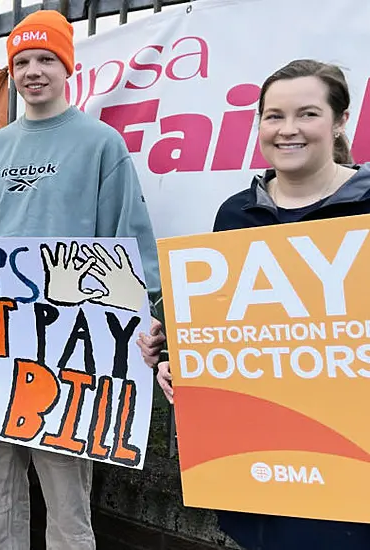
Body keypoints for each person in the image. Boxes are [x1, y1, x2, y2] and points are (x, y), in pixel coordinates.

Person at [0, 10, 161, 550]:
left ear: (67, 66)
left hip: (69, 354)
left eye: (46, 59)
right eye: (22, 61)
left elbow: (129, 244)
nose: (33, 71)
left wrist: (144, 316)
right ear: (11, 72)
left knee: (67, 502)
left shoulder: (101, 144)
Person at [140, 59, 370, 550]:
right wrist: (176, 359)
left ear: (340, 121)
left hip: (351, 469)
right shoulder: (235, 213)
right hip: (259, 468)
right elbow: (228, 330)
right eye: (273, 116)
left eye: (307, 113)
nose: (288, 130)